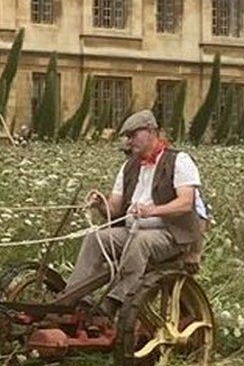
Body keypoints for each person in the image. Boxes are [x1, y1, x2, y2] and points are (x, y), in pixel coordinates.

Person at [59, 109, 208, 317]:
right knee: (95, 237)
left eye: (133, 135)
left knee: (141, 241)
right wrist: (100, 203)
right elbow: (115, 209)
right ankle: (75, 297)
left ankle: (115, 300)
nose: (129, 141)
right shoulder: (128, 166)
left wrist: (152, 211)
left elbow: (185, 203)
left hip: (171, 234)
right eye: (127, 137)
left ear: (151, 131)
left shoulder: (179, 161)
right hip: (132, 230)